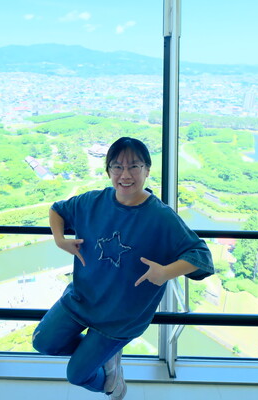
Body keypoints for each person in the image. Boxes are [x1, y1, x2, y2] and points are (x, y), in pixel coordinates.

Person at [32, 137, 214, 399]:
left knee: (77, 375)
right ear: (108, 171)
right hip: (82, 299)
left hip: (121, 317)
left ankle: (111, 381)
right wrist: (60, 240)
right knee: (42, 342)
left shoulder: (161, 217)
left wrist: (165, 273)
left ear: (147, 170)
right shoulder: (92, 202)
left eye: (134, 167)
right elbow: (57, 210)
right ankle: (107, 356)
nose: (125, 175)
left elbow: (201, 256)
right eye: (117, 167)